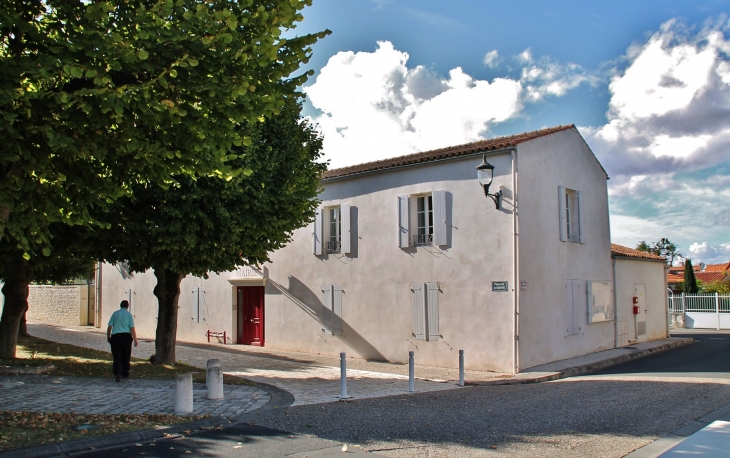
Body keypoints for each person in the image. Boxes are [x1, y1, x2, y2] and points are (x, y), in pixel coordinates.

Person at [107, 300, 138, 382]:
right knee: (126, 355)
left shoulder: (115, 314)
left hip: (116, 336)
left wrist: (108, 336)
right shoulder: (129, 315)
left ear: (120, 305)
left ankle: (117, 372)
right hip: (126, 336)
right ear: (127, 306)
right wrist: (135, 339)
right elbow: (132, 328)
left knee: (117, 356)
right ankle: (125, 372)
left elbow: (110, 327)